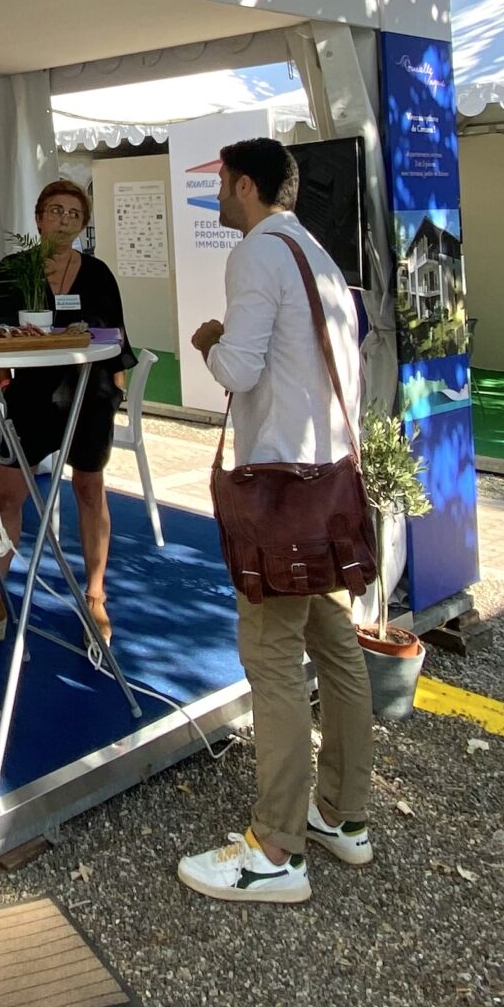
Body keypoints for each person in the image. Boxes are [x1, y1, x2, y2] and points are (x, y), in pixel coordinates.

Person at [177, 136, 374, 907]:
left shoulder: (257, 253)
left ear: (248, 186)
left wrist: (211, 341)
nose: (219, 197)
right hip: (329, 484)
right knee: (334, 645)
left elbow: (242, 369)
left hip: (282, 487)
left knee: (270, 653)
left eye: (223, 184)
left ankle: (275, 848)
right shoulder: (315, 254)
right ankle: (343, 815)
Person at [0, 176, 127, 650]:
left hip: (88, 396)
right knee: (6, 497)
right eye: (55, 211)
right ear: (39, 218)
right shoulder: (14, 266)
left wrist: (115, 395)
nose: (63, 220)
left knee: (89, 488)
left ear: (83, 224)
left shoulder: (99, 272)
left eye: (73, 214)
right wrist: (5, 382)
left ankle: (95, 595)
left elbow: (116, 339)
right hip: (30, 401)